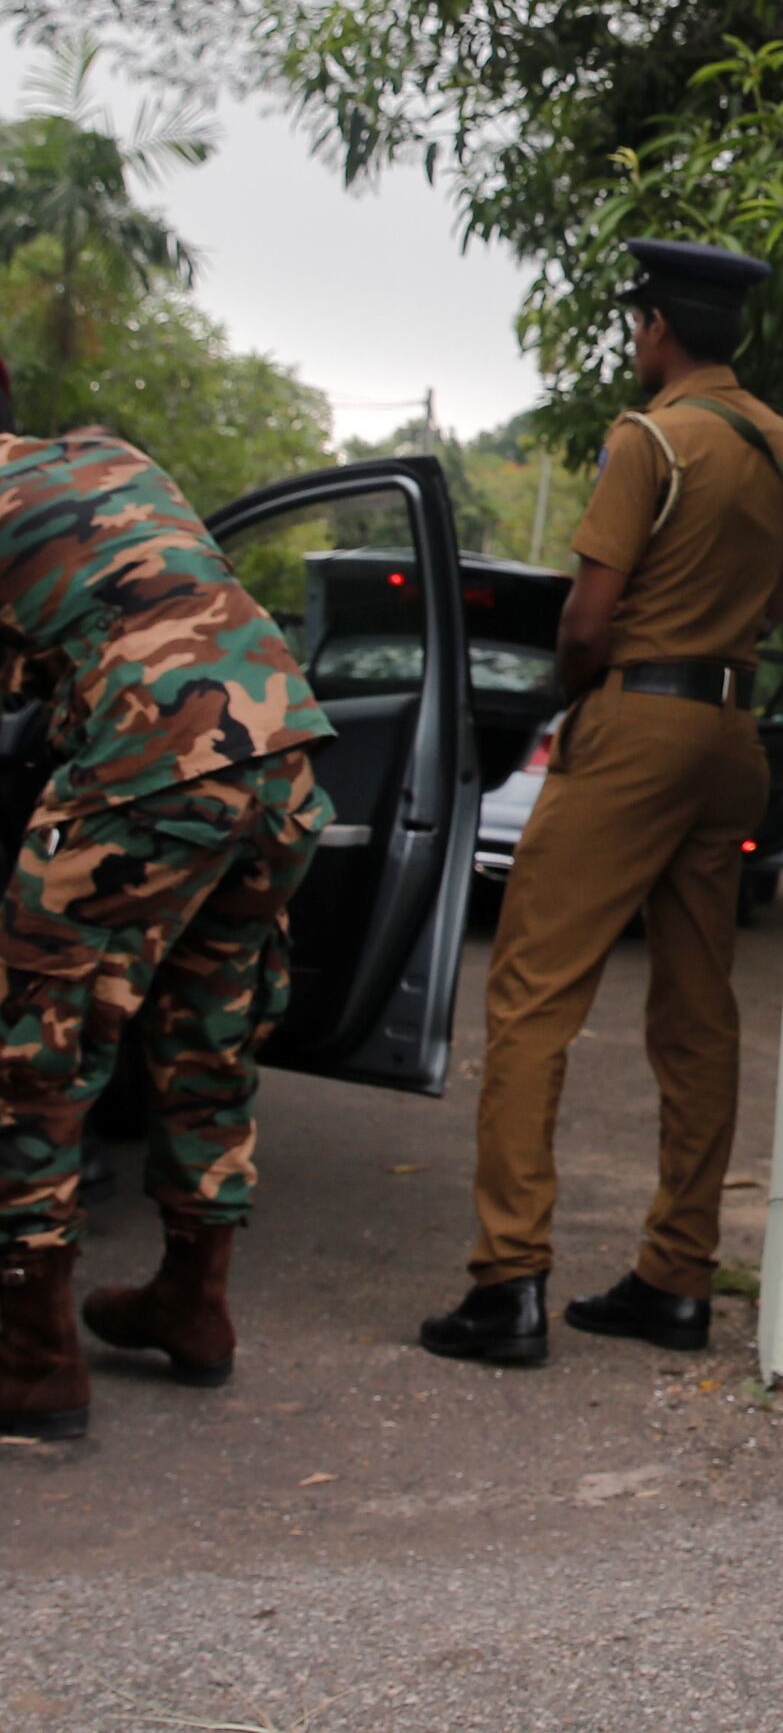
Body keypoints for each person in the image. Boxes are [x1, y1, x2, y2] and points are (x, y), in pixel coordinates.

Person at [421, 239, 783, 1367]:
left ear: (657, 330)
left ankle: (508, 1281)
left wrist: (565, 696)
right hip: (730, 736)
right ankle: (676, 1280)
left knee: (532, 995)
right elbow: (777, 600)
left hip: (636, 725)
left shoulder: (650, 439)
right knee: (697, 1015)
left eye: (639, 325)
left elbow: (587, 623)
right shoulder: (780, 445)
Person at [0, 362, 336, 1439]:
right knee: (208, 1030)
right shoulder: (110, 456)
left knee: (28, 1043)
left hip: (154, 763)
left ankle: (31, 1358)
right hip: (281, 757)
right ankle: (193, 1305)